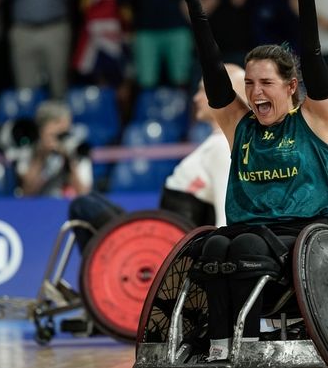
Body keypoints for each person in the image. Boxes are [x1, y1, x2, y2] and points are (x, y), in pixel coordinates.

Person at [183, 0, 328, 361]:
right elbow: (213, 70)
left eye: (265, 83)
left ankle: (247, 349)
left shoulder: (315, 120)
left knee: (244, 250)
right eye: (249, 84)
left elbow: (312, 52)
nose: (254, 93)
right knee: (214, 247)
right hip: (245, 231)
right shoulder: (241, 126)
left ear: (290, 87)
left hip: (301, 234)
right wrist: (195, 7)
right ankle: (219, 351)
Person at [67, 63, 247, 253]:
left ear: (225, 94)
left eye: (203, 90)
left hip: (164, 249)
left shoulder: (222, 147)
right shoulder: (217, 144)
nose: (196, 98)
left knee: (83, 206)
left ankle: (101, 280)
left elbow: (225, 217)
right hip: (159, 237)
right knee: (90, 201)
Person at [13, 100, 94, 198]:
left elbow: (83, 193)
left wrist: (68, 160)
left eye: (64, 133)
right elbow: (27, 193)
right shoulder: (28, 149)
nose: (59, 139)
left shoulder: (77, 149)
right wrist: (41, 157)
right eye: (56, 123)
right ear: (41, 128)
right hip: (37, 207)